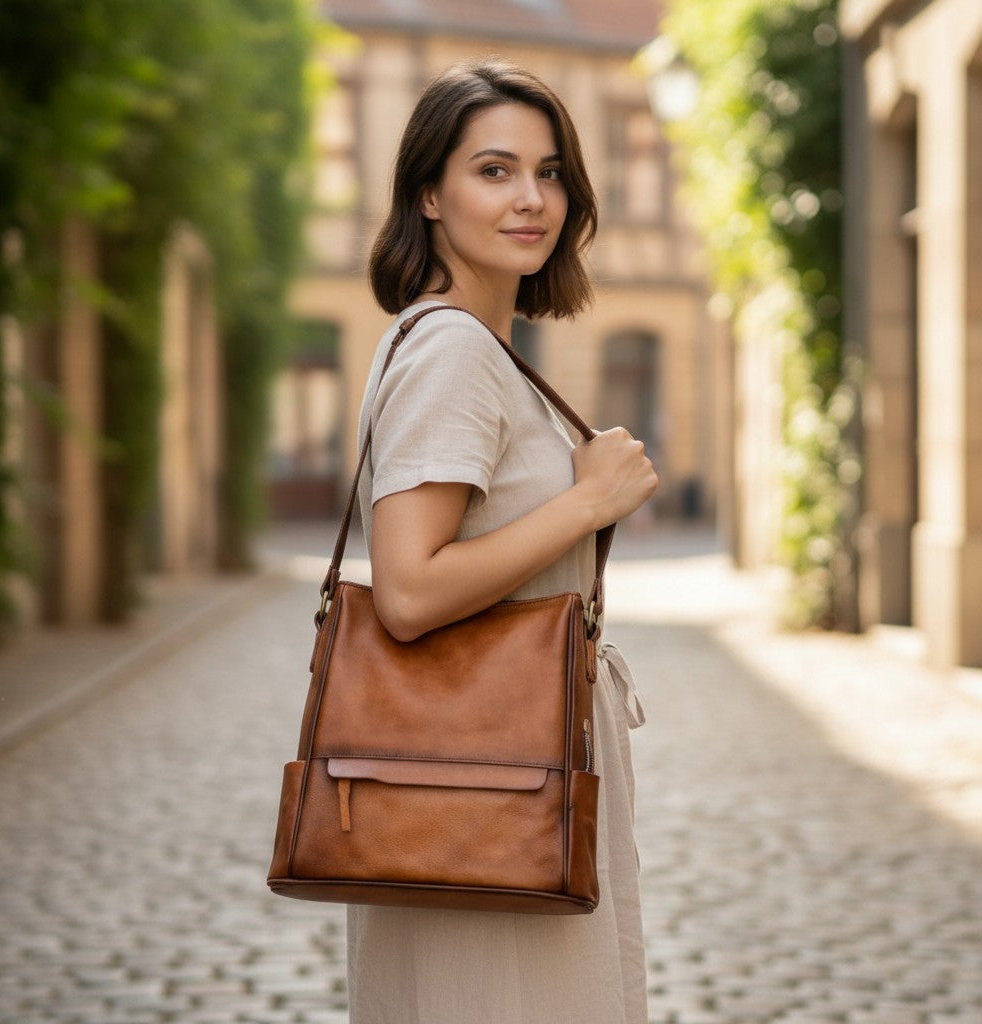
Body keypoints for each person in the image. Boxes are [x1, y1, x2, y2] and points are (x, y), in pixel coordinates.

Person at [350, 58, 659, 1024]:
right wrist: (587, 502)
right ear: (428, 194)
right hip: (485, 784)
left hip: (500, 778)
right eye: (494, 170)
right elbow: (408, 591)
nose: (532, 198)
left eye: (550, 171)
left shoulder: (476, 348)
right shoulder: (450, 351)